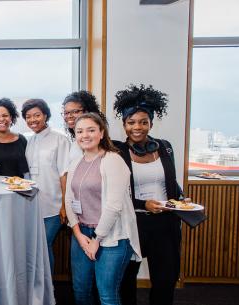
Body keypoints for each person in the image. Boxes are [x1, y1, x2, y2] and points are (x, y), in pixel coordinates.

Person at [113, 84, 186, 305]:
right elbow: (116, 194)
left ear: (151, 124)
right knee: (126, 280)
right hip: (133, 223)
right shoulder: (117, 152)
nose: (138, 127)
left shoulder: (165, 147)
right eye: (131, 122)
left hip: (166, 222)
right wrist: (145, 204)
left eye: (143, 122)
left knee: (166, 280)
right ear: (124, 125)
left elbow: (170, 182)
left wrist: (181, 198)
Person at [64, 113, 141, 305]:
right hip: (82, 232)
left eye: (91, 130)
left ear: (101, 133)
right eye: (80, 131)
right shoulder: (75, 162)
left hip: (112, 236)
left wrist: (97, 239)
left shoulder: (113, 160)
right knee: (80, 290)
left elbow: (114, 206)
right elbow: (68, 199)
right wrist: (78, 234)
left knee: (107, 294)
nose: (85, 135)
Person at [22, 98, 70, 272]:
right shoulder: (28, 140)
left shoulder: (60, 139)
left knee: (43, 245)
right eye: (28, 116)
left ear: (46, 115)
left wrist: (64, 206)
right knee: (35, 247)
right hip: (31, 205)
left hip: (54, 207)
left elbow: (65, 174)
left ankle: (47, 290)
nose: (33, 120)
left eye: (37, 115)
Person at [60, 90, 104, 224]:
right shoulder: (74, 143)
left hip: (96, 210)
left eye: (75, 111)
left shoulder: (96, 142)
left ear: (87, 111)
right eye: (66, 113)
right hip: (78, 209)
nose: (70, 116)